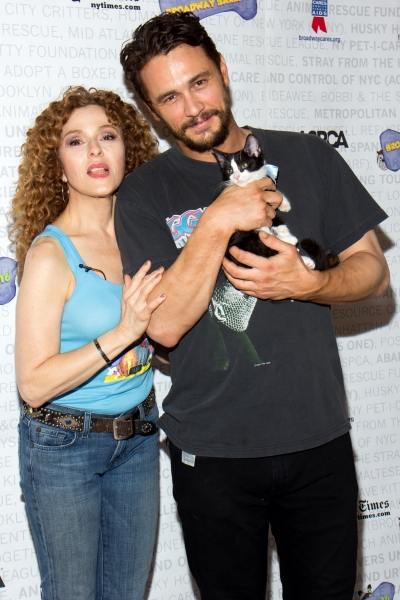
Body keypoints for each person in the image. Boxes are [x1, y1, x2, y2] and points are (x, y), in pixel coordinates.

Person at [116, 13, 390, 600]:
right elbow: (162, 325)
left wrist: (309, 282)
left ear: (224, 71)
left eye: (199, 82)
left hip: (319, 442)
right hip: (212, 456)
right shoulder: (142, 194)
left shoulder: (310, 157)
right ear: (150, 110)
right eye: (168, 97)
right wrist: (218, 219)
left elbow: (373, 273)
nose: (192, 106)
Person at [9, 86, 166, 600]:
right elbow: (33, 383)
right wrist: (123, 332)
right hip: (64, 447)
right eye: (75, 142)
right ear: (58, 166)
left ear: (130, 151)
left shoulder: (146, 234)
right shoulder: (51, 256)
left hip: (140, 435)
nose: (95, 152)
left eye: (107, 136)